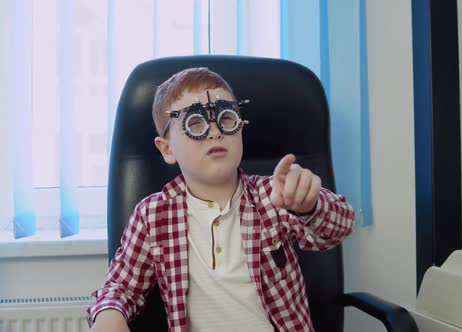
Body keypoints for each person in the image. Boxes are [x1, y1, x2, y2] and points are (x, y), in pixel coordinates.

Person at [88, 67, 355, 332]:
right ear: (167, 149)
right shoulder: (152, 216)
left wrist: (310, 205)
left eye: (226, 119)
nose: (215, 132)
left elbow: (337, 228)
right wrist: (110, 313)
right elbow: (120, 287)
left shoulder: (273, 196)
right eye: (195, 123)